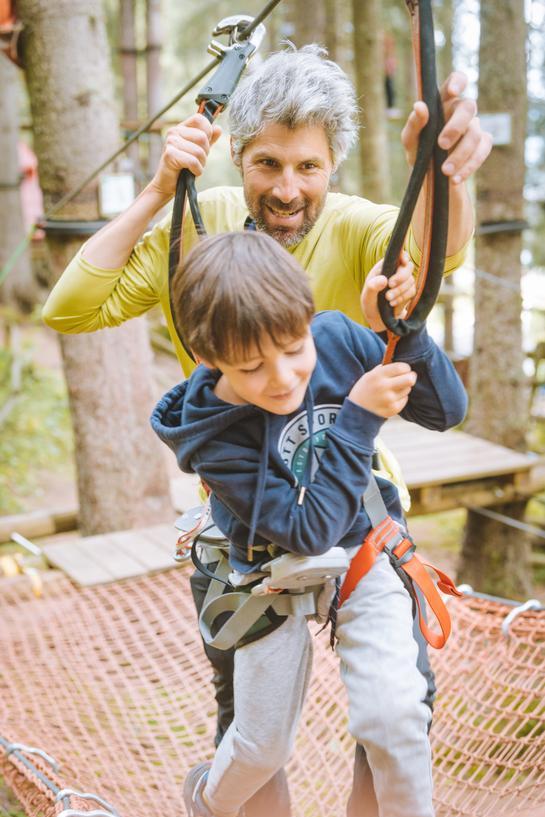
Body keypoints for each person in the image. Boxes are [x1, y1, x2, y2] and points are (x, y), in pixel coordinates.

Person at [41, 45, 491, 817]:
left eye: (308, 168)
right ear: (237, 156)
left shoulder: (354, 237)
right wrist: (157, 191)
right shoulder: (202, 231)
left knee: (388, 715)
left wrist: (442, 172)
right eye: (268, 163)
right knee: (257, 733)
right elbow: (73, 307)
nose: (287, 189)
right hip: (247, 507)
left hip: (353, 504)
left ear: (333, 166)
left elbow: (437, 247)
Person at [151, 230, 468, 817]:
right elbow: (306, 529)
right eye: (250, 367)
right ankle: (209, 797)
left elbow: (445, 410)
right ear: (208, 359)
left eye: (294, 348)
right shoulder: (211, 439)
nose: (282, 378)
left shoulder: (337, 340)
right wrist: (358, 419)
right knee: (260, 746)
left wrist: (404, 330)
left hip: (363, 549)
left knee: (395, 717)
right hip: (267, 570)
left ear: (307, 318)